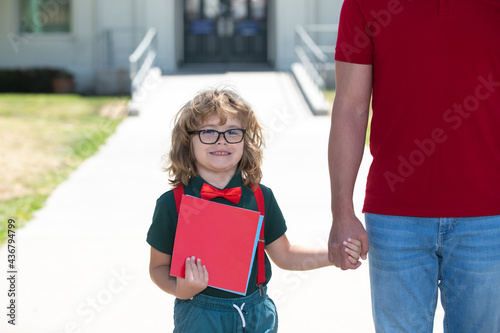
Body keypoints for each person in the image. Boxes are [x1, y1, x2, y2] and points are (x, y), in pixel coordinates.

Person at [327, 0, 500, 332]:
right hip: (395, 217)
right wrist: (342, 213)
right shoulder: (362, 4)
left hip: (488, 217)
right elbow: (350, 107)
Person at [147, 88, 362, 332]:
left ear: (245, 140)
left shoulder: (261, 197)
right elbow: (157, 268)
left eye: (232, 132)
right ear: (188, 141)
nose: (222, 141)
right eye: (208, 132)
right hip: (199, 314)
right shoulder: (171, 203)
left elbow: (286, 255)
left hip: (256, 315)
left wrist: (335, 255)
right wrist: (179, 289)